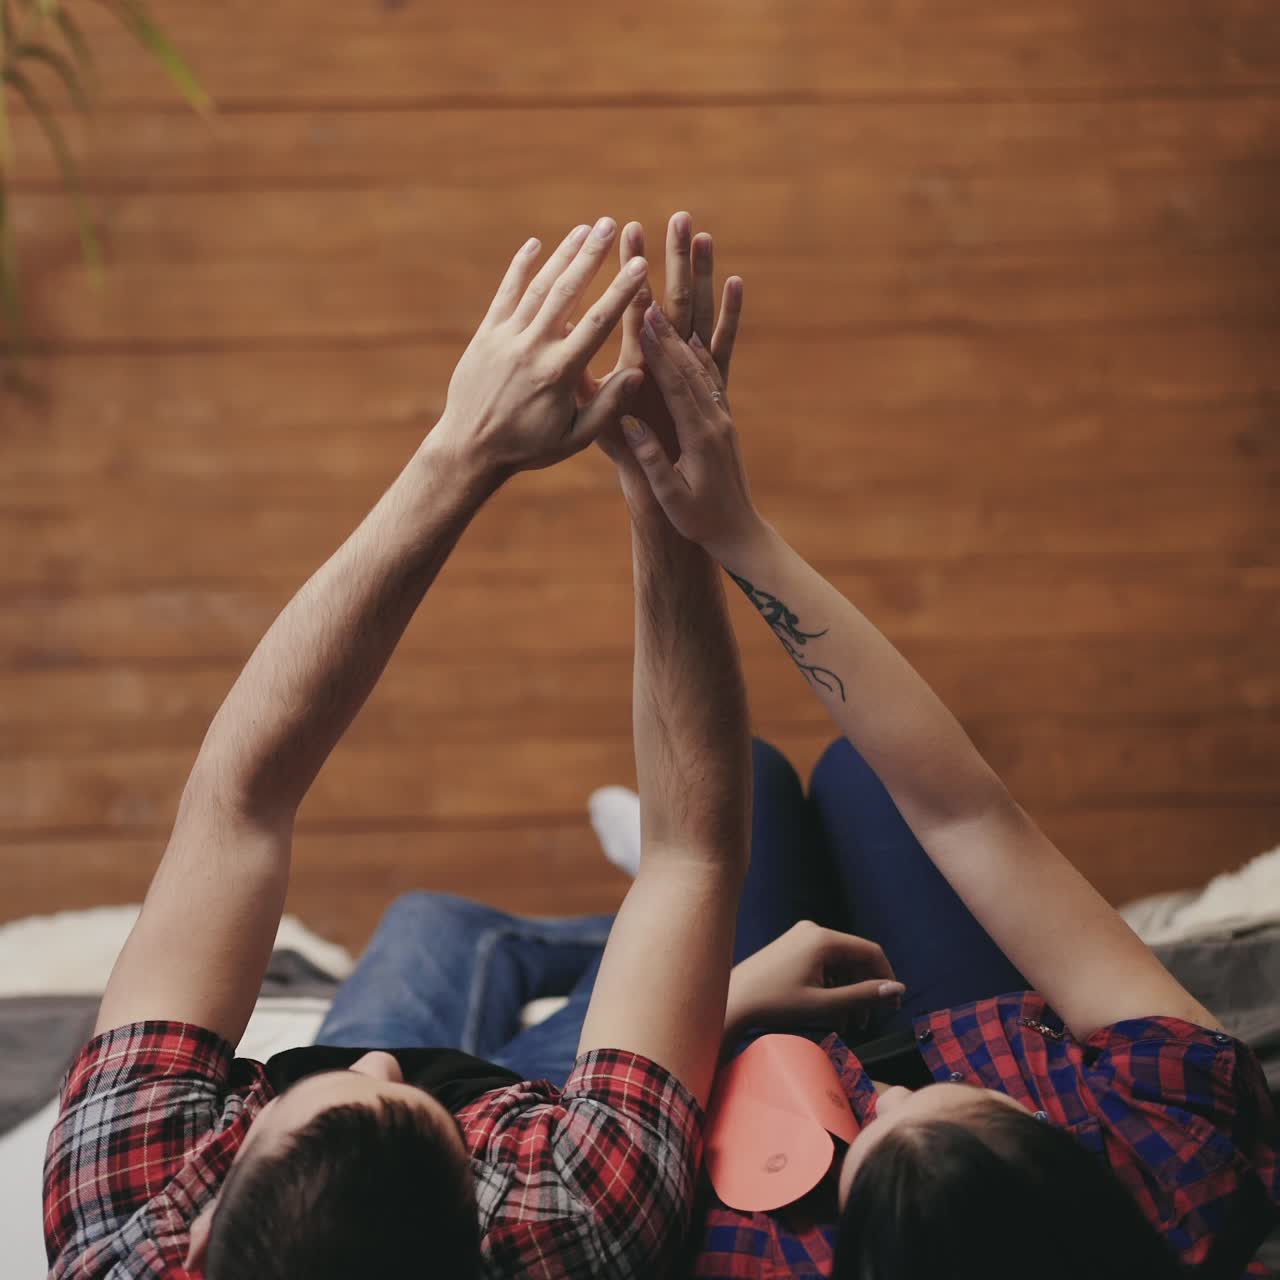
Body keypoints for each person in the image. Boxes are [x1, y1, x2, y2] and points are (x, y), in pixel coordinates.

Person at [347, 212, 1280, 1279]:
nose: (887, 1085)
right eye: (943, 1102)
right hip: (978, 1024)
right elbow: (967, 810)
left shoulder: (742, 1259)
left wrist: (661, 504)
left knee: (735, 788)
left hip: (758, 1101)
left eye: (876, 1126)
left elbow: (684, 865)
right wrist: (735, 526)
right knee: (863, 780)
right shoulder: (1186, 1146)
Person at [41, 215, 757, 1280]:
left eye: (334, 1089)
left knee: (436, 921)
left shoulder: (123, 1208)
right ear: (482, 1235)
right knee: (773, 820)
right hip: (531, 1114)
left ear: (195, 1234)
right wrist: (664, 495)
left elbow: (238, 801)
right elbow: (693, 853)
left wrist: (458, 452)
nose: (374, 1055)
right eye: (407, 1099)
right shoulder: (569, 1220)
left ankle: (592, 971)